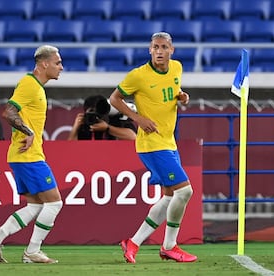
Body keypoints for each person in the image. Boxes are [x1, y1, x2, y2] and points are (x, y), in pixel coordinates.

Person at [109, 32, 197, 263]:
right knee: (185, 191)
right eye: (155, 47)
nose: (159, 51)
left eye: (164, 47)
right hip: (151, 144)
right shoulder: (138, 75)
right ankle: (169, 246)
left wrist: (182, 98)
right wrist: (137, 118)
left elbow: (172, 92)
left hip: (169, 141)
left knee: (169, 197)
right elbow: (114, 99)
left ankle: (133, 243)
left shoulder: (176, 68)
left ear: (172, 50)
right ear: (150, 50)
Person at [0, 45, 64, 264]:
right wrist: (27, 132)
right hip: (28, 156)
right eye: (57, 63)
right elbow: (8, 111)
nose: (61, 67)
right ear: (44, 63)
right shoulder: (30, 84)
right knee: (54, 203)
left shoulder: (34, 86)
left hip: (23, 155)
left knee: (35, 205)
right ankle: (32, 251)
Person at [68, 94, 136, 140]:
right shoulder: (85, 124)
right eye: (91, 111)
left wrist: (108, 128)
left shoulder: (115, 119)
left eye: (98, 111)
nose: (96, 115)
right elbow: (71, 148)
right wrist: (76, 127)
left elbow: (133, 137)